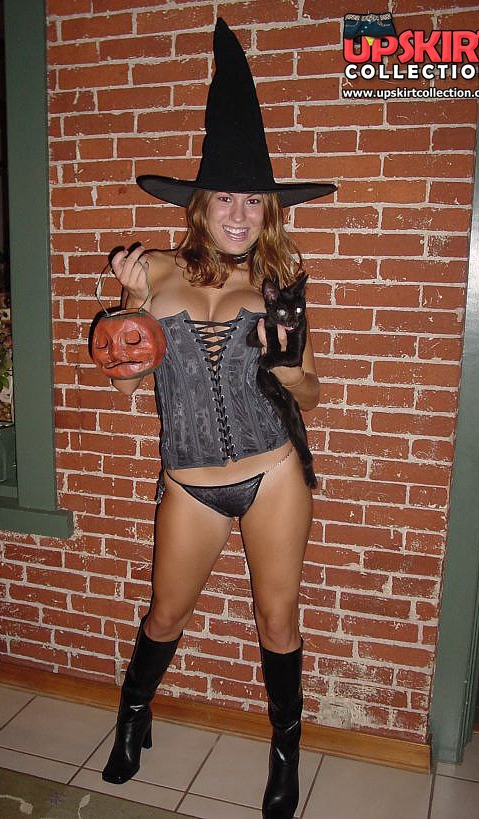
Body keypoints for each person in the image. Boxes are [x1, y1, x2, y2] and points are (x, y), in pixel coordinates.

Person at [100, 19, 335, 819]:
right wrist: (128, 308)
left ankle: (284, 752)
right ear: (202, 204)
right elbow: (130, 383)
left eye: (253, 198)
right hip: (190, 480)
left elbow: (310, 394)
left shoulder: (281, 282)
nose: (239, 211)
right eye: (226, 196)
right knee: (166, 611)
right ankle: (134, 714)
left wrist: (289, 365)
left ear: (269, 209)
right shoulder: (154, 273)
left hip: (272, 474)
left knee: (277, 617)